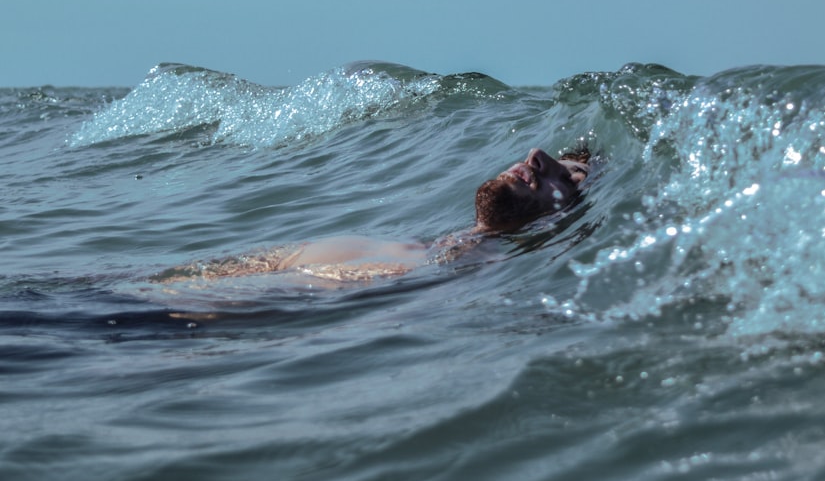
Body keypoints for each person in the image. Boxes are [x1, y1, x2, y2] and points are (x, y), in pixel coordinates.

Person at [157, 147, 591, 283]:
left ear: (558, 214)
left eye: (559, 173)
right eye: (543, 156)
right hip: (260, 270)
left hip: (243, 301)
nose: (536, 155)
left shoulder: (475, 263)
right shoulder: (443, 247)